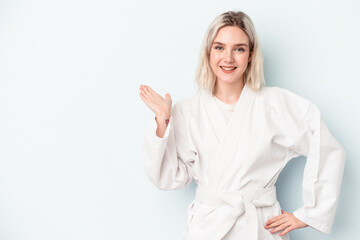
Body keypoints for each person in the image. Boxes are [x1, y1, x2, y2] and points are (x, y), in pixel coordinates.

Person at [139, 11, 345, 240]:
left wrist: (310, 213)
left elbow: (326, 146)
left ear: (250, 55)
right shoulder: (188, 111)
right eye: (219, 47)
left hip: (260, 227)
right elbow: (168, 177)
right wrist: (162, 119)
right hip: (208, 228)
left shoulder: (275, 105)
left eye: (239, 49)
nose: (228, 58)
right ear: (208, 53)